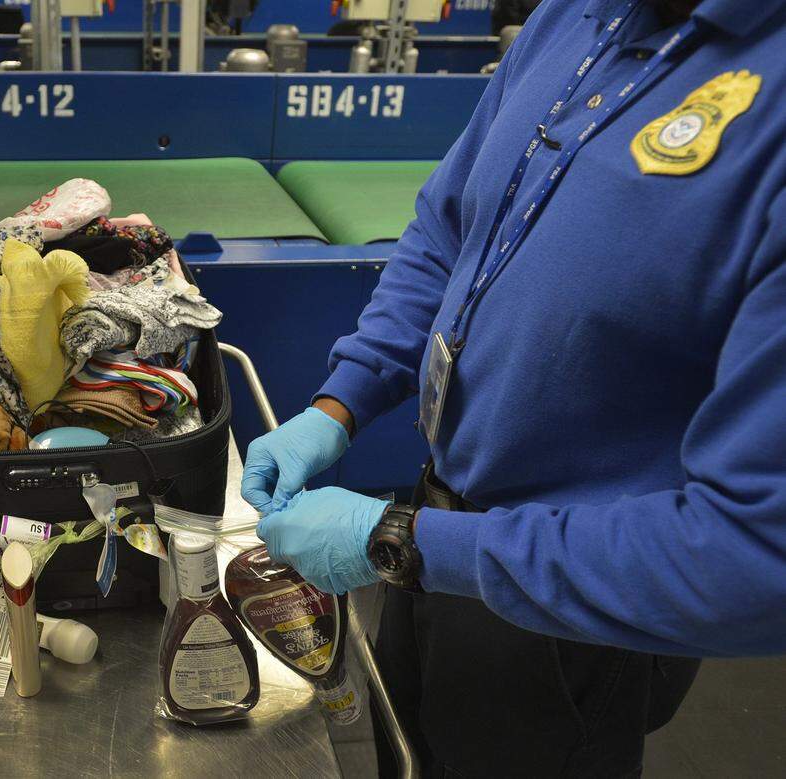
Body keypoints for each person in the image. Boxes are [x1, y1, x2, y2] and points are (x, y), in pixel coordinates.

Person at [240, 0, 786, 776]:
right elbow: (449, 227)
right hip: (436, 536)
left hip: (575, 614)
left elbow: (759, 554)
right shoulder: (575, 16)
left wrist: (401, 542)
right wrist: (341, 402)